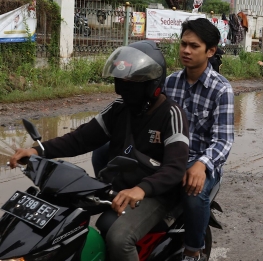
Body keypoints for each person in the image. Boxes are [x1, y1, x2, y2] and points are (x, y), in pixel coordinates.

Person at [9, 40, 189, 261]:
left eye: (132, 81)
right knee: (54, 215)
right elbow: (81, 139)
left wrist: (141, 189)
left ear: (152, 83)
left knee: (119, 239)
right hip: (119, 188)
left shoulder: (171, 113)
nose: (124, 86)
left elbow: (176, 166)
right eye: (121, 80)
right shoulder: (118, 109)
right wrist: (38, 150)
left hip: (157, 194)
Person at [164, 18, 234, 261]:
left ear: (210, 51)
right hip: (170, 157)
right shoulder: (170, 82)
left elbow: (223, 141)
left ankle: (193, 251)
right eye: (183, 44)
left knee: (194, 195)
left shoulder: (221, 89)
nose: (186, 50)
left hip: (202, 162)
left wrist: (202, 164)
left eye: (194, 46)